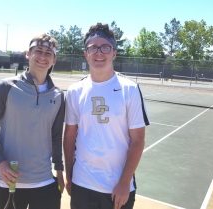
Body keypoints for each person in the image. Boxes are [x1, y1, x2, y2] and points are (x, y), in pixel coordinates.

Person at [64, 23, 150, 209]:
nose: (99, 52)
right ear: (85, 53)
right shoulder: (74, 91)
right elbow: (69, 137)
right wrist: (69, 176)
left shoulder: (130, 89)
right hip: (82, 185)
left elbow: (138, 140)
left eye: (105, 47)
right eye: (92, 48)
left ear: (114, 53)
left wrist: (124, 183)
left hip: (117, 188)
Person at [0, 34, 65, 209]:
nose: (42, 57)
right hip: (9, 182)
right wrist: (1, 163)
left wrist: (59, 170)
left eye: (48, 53)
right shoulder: (6, 87)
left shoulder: (58, 96)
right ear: (28, 54)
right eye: (38, 51)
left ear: (54, 60)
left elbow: (56, 136)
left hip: (45, 182)